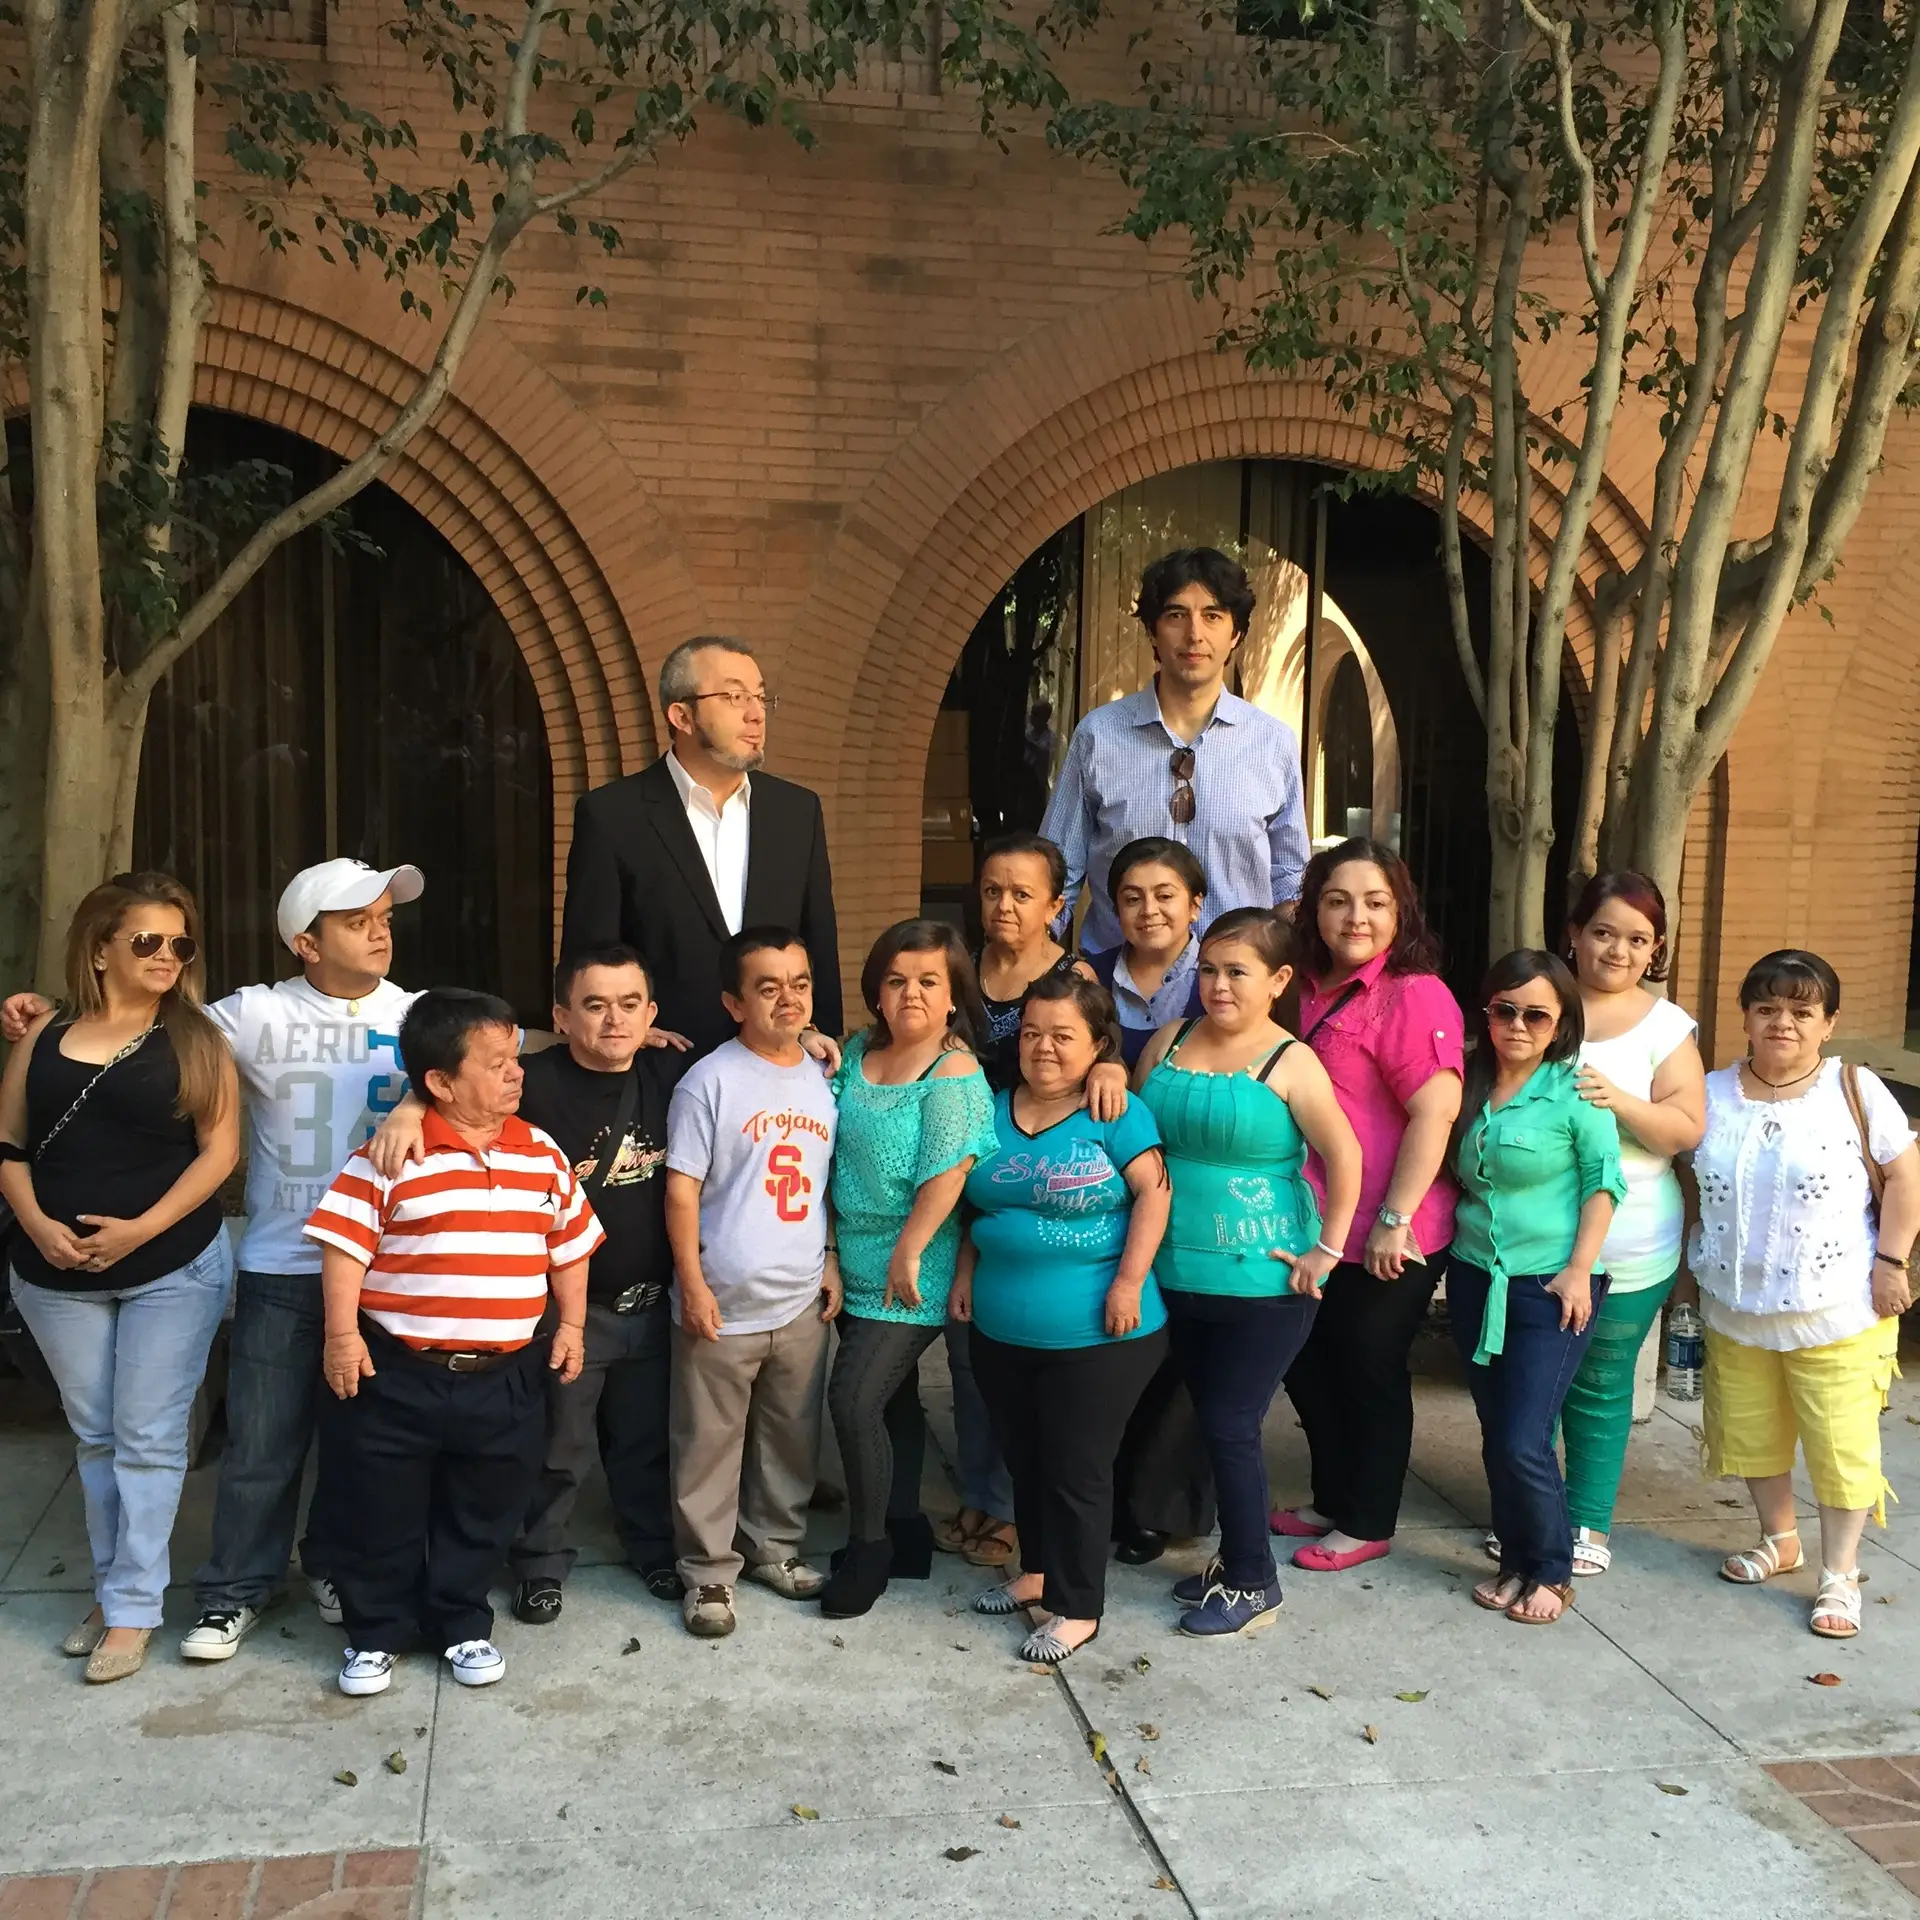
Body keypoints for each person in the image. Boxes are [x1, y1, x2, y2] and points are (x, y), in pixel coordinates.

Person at [2, 857, 430, 1661]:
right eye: (356, 919)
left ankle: (333, 1564)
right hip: (284, 1258)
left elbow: (518, 1048)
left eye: (385, 919)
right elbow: (134, 1029)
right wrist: (43, 1011)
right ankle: (237, 1587)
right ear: (305, 941)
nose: (379, 932)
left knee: (361, 1442)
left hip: (392, 1267)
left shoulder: (421, 1013)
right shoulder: (251, 1016)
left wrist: (418, 1094)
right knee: (262, 1443)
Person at [305, 989, 603, 1697]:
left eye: (515, 1060)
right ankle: (375, 1633)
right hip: (398, 1370)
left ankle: (461, 1622)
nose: (515, 1074)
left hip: (505, 1375)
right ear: (440, 1082)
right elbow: (344, 1247)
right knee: (381, 1505)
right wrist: (341, 1336)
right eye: (496, 1063)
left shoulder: (541, 1152)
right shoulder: (391, 1154)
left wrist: (572, 1325)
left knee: (486, 1504)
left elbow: (571, 1248)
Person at [0, 873, 240, 1685]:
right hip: (52, 1273)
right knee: (97, 1435)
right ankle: (112, 1591)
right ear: (100, 946)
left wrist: (141, 1228)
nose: (167, 955)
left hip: (171, 1267)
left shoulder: (198, 1040)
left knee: (145, 1437)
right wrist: (36, 1224)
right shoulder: (42, 1037)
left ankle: (133, 1606)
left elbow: (219, 1152)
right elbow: (8, 1147)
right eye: (147, 941)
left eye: (180, 943)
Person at [1134, 908, 1362, 1637]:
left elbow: (1345, 1157)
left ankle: (1254, 1580)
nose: (1219, 986)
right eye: (1208, 970)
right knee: (1204, 1418)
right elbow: (1136, 1135)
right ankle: (1233, 1559)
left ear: (1279, 980)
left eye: (1238, 972)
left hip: (1264, 1283)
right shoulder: (1169, 1040)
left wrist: (1326, 1249)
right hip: (1173, 1272)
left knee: (1232, 1424)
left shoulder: (1291, 1060)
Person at [1693, 949, 1920, 1640]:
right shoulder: (1710, 1090)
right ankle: (1779, 1539)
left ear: (1828, 1023)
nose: (1782, 1023)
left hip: (1839, 1307)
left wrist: (1892, 1261)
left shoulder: (1854, 1089)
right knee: (1753, 1432)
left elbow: (1906, 1179)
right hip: (1734, 1304)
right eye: (1766, 1009)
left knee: (1840, 1444)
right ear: (1746, 1018)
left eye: (1800, 1011)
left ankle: (1839, 1573)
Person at [955, 975, 1171, 1664]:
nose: (1043, 1048)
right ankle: (1039, 1574)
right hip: (999, 1329)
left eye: (1063, 1036)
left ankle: (1079, 1608)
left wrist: (1129, 1281)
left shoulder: (1117, 1111)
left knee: (1077, 1468)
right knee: (1027, 1460)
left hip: (1099, 1332)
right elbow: (971, 1206)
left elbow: (1154, 1195)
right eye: (1031, 1034)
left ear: (1099, 1046)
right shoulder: (989, 1111)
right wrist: (964, 1276)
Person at [1276, 839, 1464, 1573]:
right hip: (1318, 1221)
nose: (1357, 917)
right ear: (1312, 909)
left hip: (1394, 1226)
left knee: (1367, 1366)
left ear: (1400, 911)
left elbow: (1434, 1113)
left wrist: (1394, 1219)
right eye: (1338, 899)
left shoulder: (1412, 993)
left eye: (1376, 902)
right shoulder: (1305, 989)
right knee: (1307, 1361)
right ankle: (1332, 1495)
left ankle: (1367, 1518)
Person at [664, 928, 841, 1638]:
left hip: (798, 1296)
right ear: (735, 1002)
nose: (788, 998)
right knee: (708, 1443)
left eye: (799, 982)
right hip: (723, 1300)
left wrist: (827, 1255)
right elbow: (680, 1194)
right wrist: (694, 1286)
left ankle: (775, 1547)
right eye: (768, 988)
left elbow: (830, 1181)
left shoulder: (826, 1074)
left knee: (790, 1437)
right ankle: (708, 1574)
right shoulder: (709, 1080)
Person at [819, 921, 998, 1617]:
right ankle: (906, 1531)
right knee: (890, 1403)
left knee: (853, 1399)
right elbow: (827, 1150)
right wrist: (832, 1250)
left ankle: (868, 1551)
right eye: (896, 980)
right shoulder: (860, 1051)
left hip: (913, 1262)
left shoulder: (952, 1071)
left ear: (953, 995)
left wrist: (911, 1248)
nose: (911, 993)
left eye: (928, 981)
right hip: (852, 1253)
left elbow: (949, 1172)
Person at [505, 946, 688, 1626]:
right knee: (559, 1446)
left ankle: (652, 1549)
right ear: (561, 1016)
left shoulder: (674, 1074)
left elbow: (764, 1047)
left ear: (652, 1014)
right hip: (569, 1310)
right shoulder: (530, 1083)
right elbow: (450, 1078)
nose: (615, 1020)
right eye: (595, 1004)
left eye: (630, 1004)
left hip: (656, 1300)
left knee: (645, 1444)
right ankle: (538, 1565)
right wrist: (408, 1108)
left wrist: (815, 1038)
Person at [1449, 952, 1624, 1628]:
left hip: (1551, 1286)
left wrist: (1579, 1268)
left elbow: (1604, 1182)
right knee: (1498, 1433)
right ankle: (1516, 1560)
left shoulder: (1575, 1090)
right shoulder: (1467, 1083)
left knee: (1524, 1437)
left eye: (1535, 1014)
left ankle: (1552, 1568)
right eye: (1504, 1009)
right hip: (1473, 1275)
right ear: (1486, 1012)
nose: (1517, 1024)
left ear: (1560, 1025)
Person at [560, 635, 841, 1056]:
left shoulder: (796, 810)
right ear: (682, 716)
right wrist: (626, 1033)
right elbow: (590, 951)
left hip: (777, 1064)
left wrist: (820, 1030)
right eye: (733, 696)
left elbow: (817, 936)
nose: (755, 714)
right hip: (661, 1065)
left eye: (761, 698)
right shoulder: (613, 815)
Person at [941, 834, 1099, 1572]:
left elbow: (1104, 1057)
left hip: (1044, 1187)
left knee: (1021, 1358)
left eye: (1023, 893)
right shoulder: (957, 971)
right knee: (968, 1355)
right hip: (966, 1178)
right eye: (992, 890)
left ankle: (1007, 1507)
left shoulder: (1072, 976)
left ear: (1056, 906)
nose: (1005, 905)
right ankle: (978, 1488)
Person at [1040, 548, 1309, 954]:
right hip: (1115, 988)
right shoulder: (1099, 735)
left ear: (1235, 634)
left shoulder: (1272, 743)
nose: (1194, 634)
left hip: (1234, 988)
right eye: (1176, 615)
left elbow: (1290, 879)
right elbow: (1057, 874)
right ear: (1152, 630)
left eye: (1213, 616)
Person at [1556, 873, 1705, 1577]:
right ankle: (1530, 1513)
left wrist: (1615, 1099)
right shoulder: (1539, 1005)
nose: (1618, 949)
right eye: (1605, 932)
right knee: (1527, 1384)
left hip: (1630, 1240)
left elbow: (1683, 1129)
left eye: (1637, 939)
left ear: (1656, 950)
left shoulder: (1666, 1026)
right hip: (1531, 1238)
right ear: (1575, 934)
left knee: (1601, 1382)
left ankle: (1585, 1521)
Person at [1082, 837, 1208, 1071]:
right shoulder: (1090, 975)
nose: (1149, 910)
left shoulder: (1223, 977)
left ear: (1195, 906)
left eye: (1164, 896)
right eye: (1133, 899)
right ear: (1117, 912)